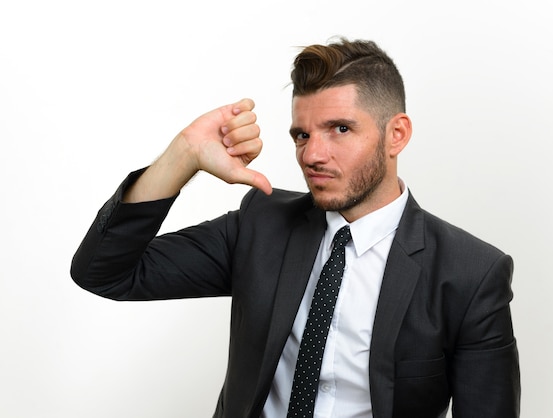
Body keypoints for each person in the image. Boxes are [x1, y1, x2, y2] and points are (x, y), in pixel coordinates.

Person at [71, 38, 520, 418]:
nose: (311, 155)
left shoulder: (469, 273)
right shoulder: (262, 225)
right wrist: (183, 155)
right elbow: (104, 272)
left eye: (340, 129)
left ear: (396, 135)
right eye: (301, 135)